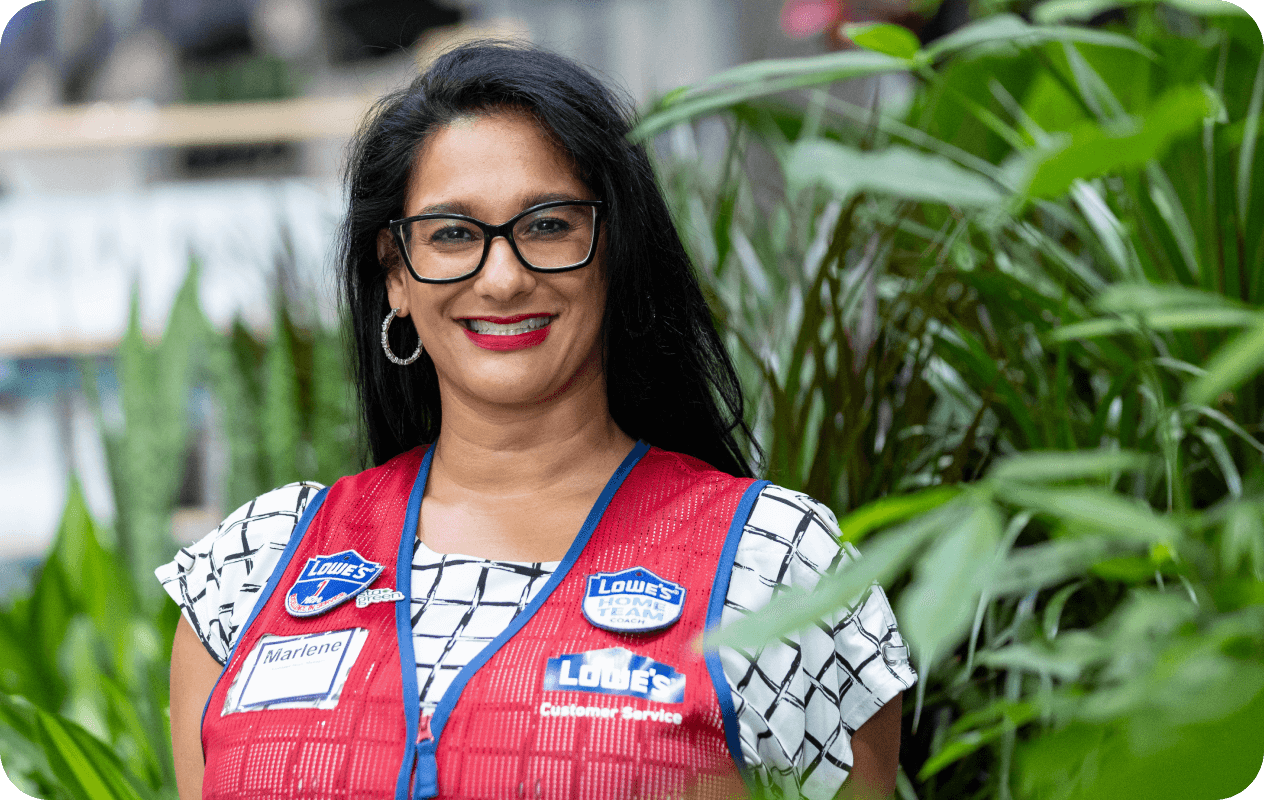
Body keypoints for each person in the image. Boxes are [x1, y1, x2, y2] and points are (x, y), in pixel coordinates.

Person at [159, 41, 916, 800]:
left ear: (613, 250)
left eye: (549, 225)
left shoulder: (774, 569)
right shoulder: (254, 571)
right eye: (453, 234)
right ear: (394, 272)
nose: (504, 277)